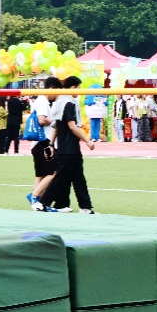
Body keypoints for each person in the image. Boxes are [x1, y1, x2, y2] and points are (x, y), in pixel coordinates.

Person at [37, 76, 97, 214]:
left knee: (78, 178)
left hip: (69, 148)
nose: (79, 91)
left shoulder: (60, 103)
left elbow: (56, 126)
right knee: (61, 178)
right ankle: (42, 203)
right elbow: (72, 126)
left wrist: (51, 144)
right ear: (73, 87)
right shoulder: (68, 104)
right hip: (68, 149)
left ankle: (85, 207)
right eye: (79, 88)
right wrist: (87, 140)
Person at [27, 76, 61, 209]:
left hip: (38, 143)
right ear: (52, 88)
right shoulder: (43, 101)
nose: (57, 96)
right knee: (53, 173)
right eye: (57, 92)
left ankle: (37, 202)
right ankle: (35, 196)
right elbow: (42, 119)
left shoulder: (41, 100)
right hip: (43, 142)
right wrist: (54, 122)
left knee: (40, 175)